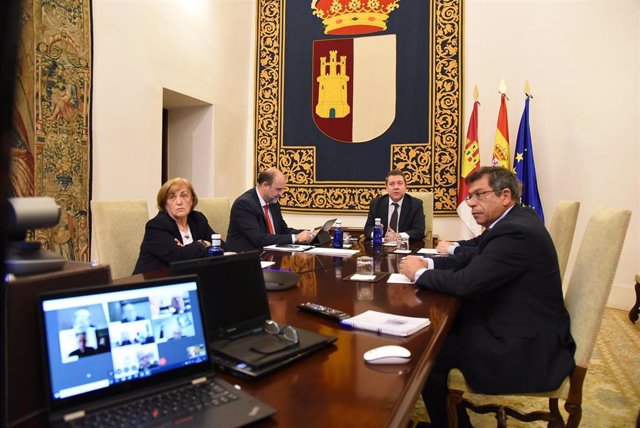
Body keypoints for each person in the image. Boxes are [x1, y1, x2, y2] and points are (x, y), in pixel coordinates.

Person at [399, 166, 575, 428]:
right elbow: (473, 257)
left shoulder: (516, 231)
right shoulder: (514, 220)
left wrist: (420, 274)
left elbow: (467, 283)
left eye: (479, 195)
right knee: (435, 332)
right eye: (470, 196)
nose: (470, 203)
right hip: (522, 321)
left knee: (426, 352)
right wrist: (429, 264)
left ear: (505, 195)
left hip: (525, 346)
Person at [133, 177, 223, 274]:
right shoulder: (157, 226)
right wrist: (203, 243)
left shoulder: (197, 219)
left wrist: (186, 250)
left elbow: (221, 246)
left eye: (184, 196)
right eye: (172, 197)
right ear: (165, 204)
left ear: (192, 200)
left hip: (188, 278)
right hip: (153, 284)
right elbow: (178, 259)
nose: (179, 202)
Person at [226, 167, 314, 252]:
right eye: (278, 189)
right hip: (247, 258)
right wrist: (296, 238)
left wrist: (309, 233)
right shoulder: (244, 204)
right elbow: (259, 239)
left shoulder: (273, 202)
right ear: (265, 185)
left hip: (269, 255)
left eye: (283, 189)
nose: (281, 194)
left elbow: (283, 231)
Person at [364, 169, 425, 242]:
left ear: (406, 186)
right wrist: (377, 234)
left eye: (400, 183)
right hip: (382, 248)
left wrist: (399, 236)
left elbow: (419, 231)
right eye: (392, 184)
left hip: (406, 247)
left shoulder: (416, 204)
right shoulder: (376, 203)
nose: (396, 187)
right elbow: (368, 228)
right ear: (386, 187)